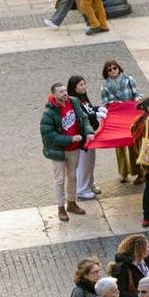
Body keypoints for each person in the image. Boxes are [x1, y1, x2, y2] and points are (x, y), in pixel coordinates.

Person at [41, 83, 87, 223]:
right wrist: (70, 139)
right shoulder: (49, 112)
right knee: (59, 179)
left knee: (72, 176)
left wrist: (89, 132)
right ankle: (61, 207)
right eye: (60, 92)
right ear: (53, 94)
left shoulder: (74, 102)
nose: (64, 93)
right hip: (58, 151)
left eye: (65, 90)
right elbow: (48, 135)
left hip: (74, 149)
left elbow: (83, 119)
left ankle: (71, 203)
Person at [100, 59, 141, 183]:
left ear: (119, 68)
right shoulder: (105, 86)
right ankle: (123, 173)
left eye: (115, 68)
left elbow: (137, 94)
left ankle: (139, 172)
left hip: (130, 116)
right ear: (106, 72)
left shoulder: (129, 80)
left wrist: (137, 100)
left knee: (133, 143)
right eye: (109, 69)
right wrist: (113, 103)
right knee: (119, 145)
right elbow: (104, 102)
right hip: (116, 118)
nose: (113, 71)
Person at [65, 75, 102, 203]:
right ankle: (82, 189)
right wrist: (95, 114)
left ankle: (90, 184)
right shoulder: (74, 101)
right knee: (84, 164)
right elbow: (82, 117)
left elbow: (89, 110)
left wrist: (97, 109)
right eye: (81, 85)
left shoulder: (83, 99)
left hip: (91, 135)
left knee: (91, 162)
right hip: (83, 138)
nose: (84, 87)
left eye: (84, 84)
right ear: (74, 88)